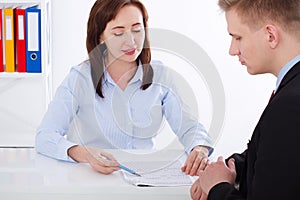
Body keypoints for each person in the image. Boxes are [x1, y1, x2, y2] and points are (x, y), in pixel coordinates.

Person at [35, 0, 213, 176]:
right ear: (100, 37)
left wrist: (199, 149)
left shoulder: (161, 75)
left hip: (144, 179)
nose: (131, 41)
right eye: (119, 33)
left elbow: (190, 127)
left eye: (137, 30)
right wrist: (86, 154)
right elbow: (45, 136)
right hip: (91, 179)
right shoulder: (80, 78)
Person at [190, 0, 300, 199]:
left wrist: (218, 188)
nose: (232, 50)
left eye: (238, 37)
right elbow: (282, 158)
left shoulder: (289, 106)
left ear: (271, 35)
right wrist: (229, 167)